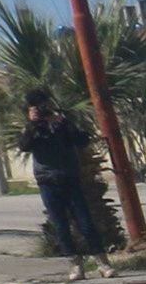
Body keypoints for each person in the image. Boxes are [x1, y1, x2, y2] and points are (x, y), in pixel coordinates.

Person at [17, 90, 106, 273]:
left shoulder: (62, 124)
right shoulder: (31, 128)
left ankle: (102, 262)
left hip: (70, 178)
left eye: (44, 106)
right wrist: (33, 124)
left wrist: (63, 122)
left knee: (85, 222)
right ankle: (75, 265)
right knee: (60, 225)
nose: (42, 111)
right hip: (47, 181)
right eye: (37, 108)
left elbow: (82, 141)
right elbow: (24, 146)